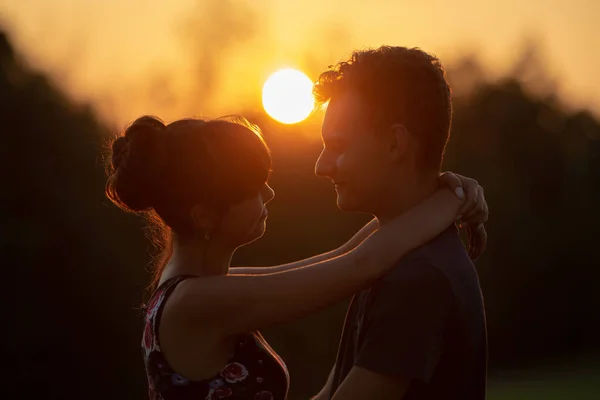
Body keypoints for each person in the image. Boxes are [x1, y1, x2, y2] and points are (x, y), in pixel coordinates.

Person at [105, 115, 487, 400]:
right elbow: (360, 265)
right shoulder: (198, 303)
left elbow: (344, 254)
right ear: (203, 214)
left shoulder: (200, 288)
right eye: (253, 189)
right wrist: (454, 202)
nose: (269, 195)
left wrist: (436, 193)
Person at [310, 46, 488, 400]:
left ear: (394, 144)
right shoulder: (390, 255)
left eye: (338, 146)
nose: (321, 166)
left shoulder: (418, 277)